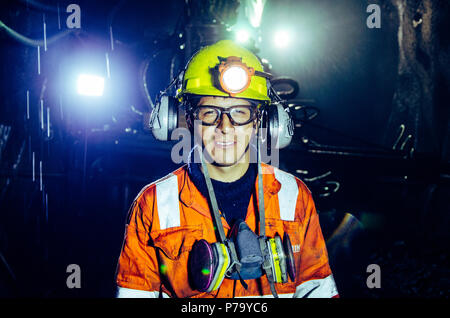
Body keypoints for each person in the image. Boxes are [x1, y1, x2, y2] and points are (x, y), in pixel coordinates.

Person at [114, 39, 339, 298]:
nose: (225, 126)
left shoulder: (294, 196)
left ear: (261, 121)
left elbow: (317, 289)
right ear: (188, 119)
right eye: (209, 112)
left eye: (240, 112)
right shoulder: (153, 204)